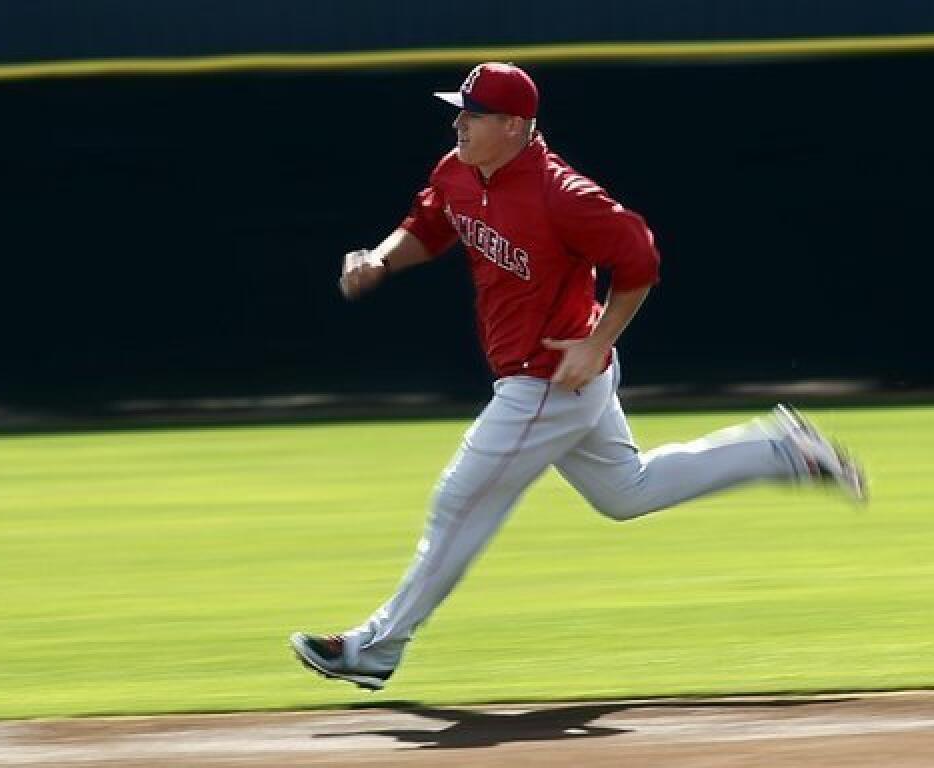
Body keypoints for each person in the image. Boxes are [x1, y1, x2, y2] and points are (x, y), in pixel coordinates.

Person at [290, 62, 866, 692]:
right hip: (557, 377)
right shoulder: (458, 171)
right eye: (460, 110)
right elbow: (428, 227)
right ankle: (779, 451)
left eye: (473, 113)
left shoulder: (561, 193)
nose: (459, 121)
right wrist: (379, 258)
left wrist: (597, 342)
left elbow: (639, 258)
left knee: (460, 498)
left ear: (512, 125)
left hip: (550, 378)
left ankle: (376, 646)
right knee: (627, 491)